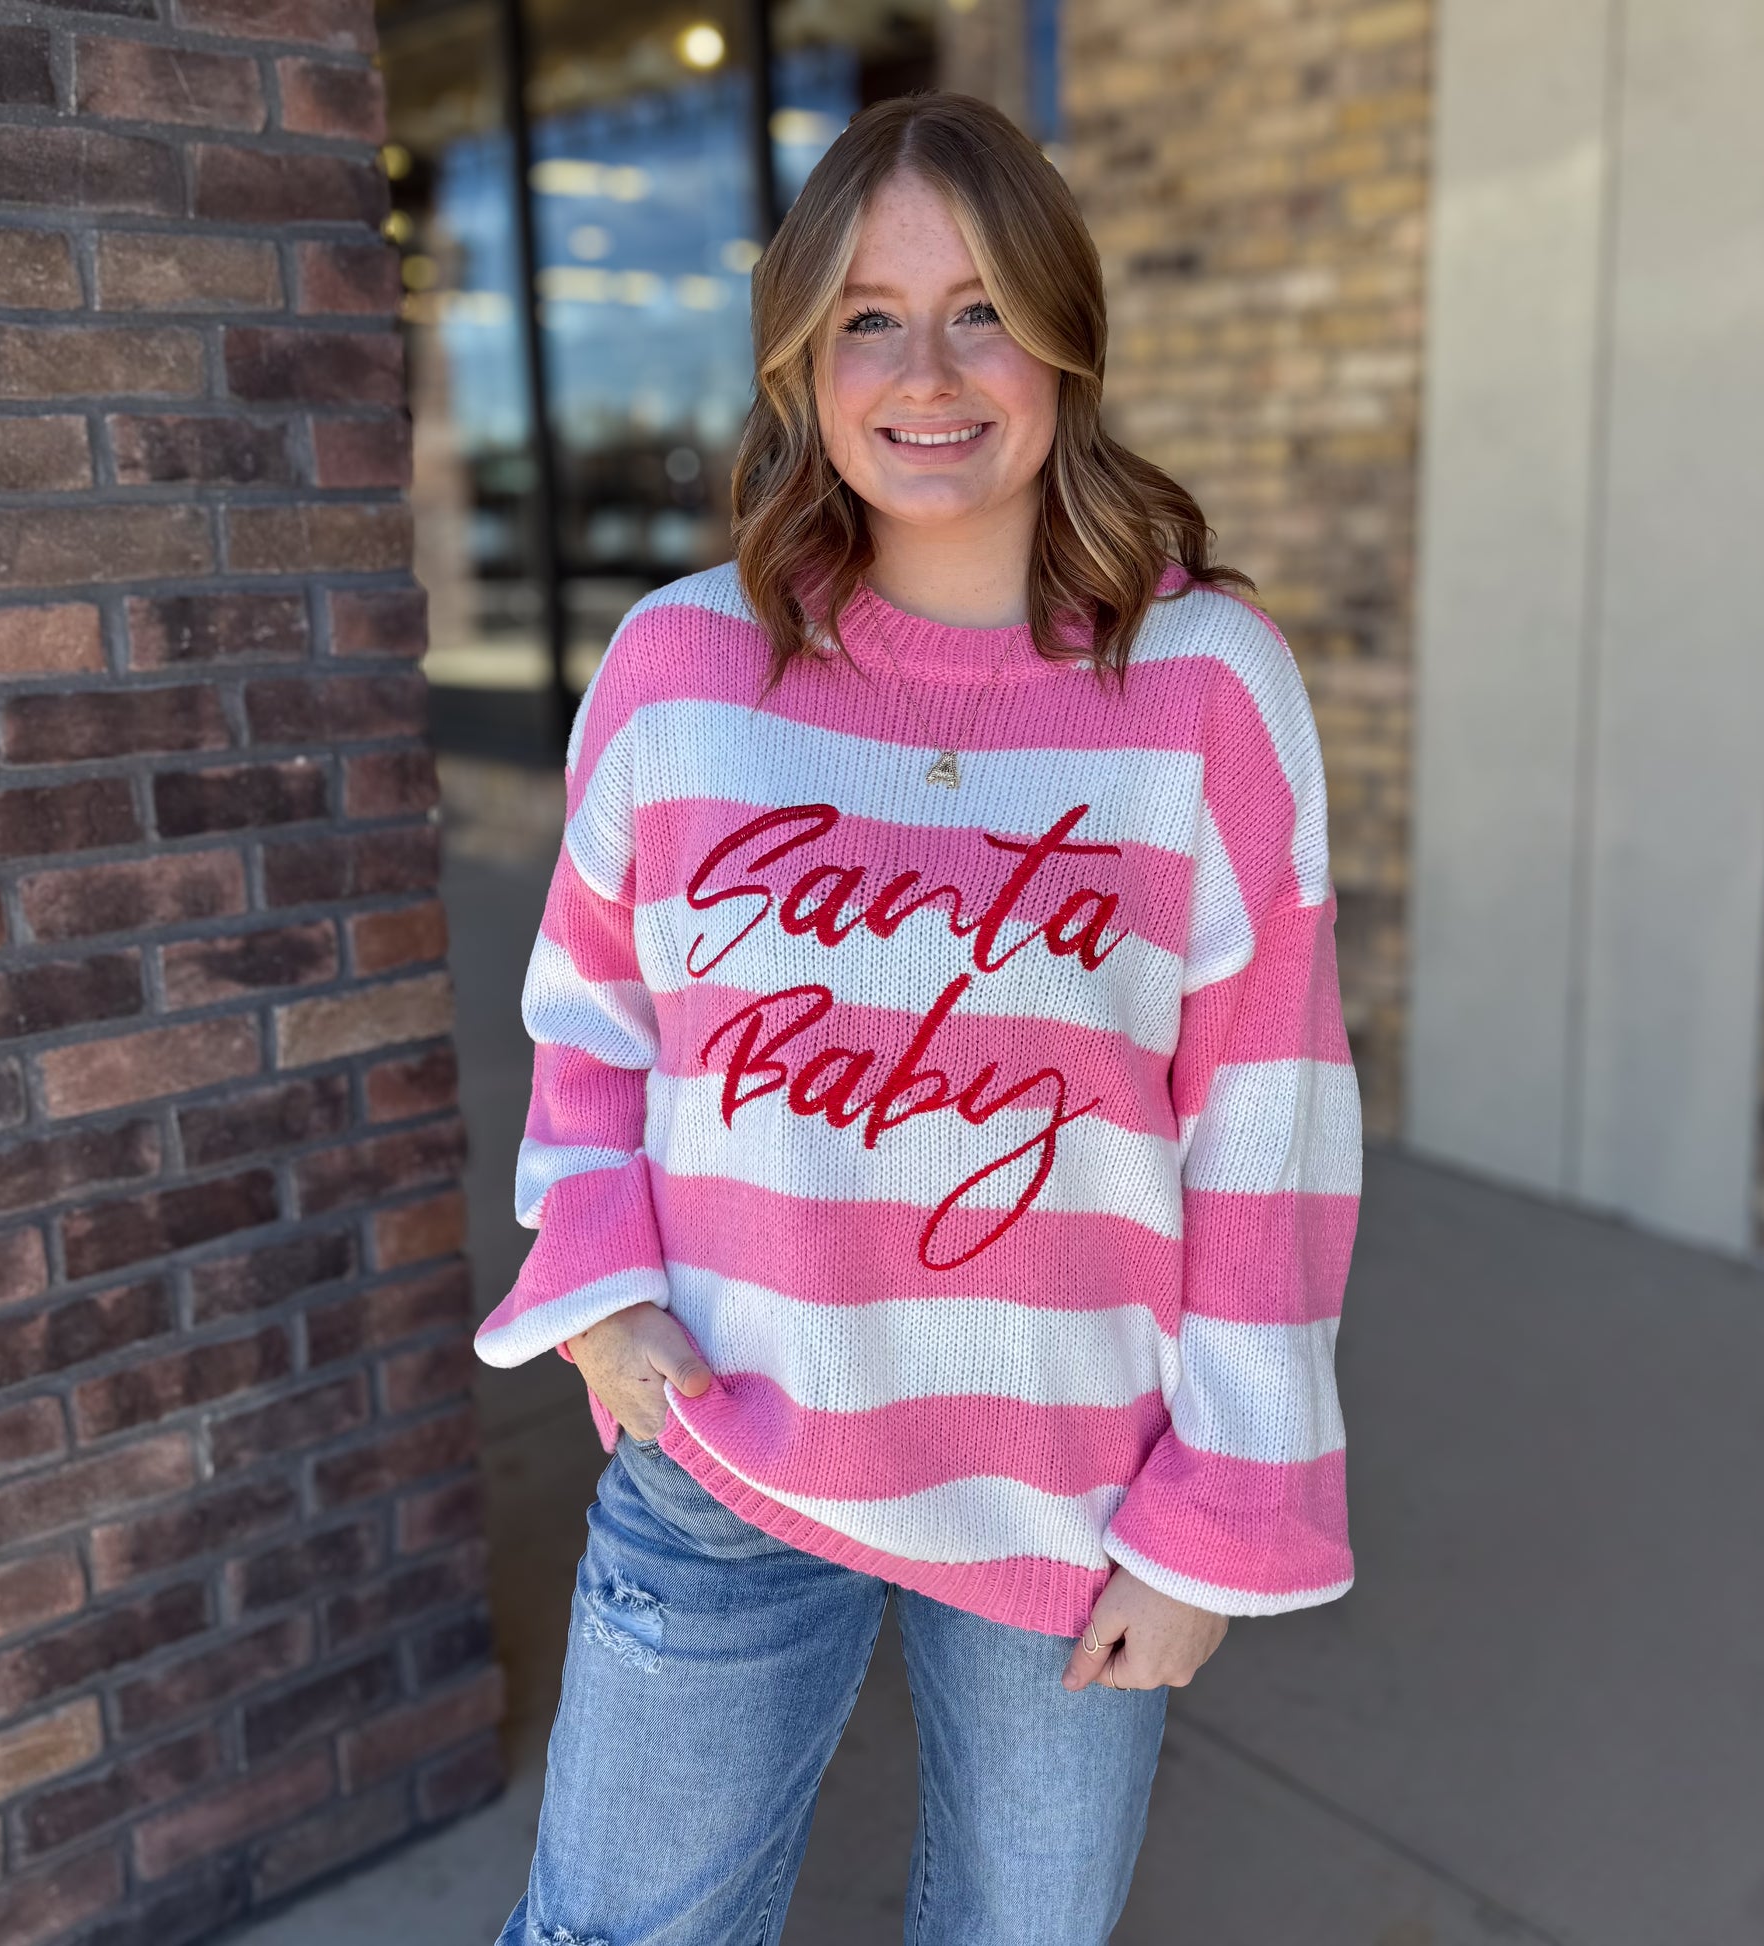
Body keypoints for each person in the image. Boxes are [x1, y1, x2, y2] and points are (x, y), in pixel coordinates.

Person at [481, 88, 1363, 1946]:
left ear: (1064, 336)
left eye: (981, 311)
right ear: (800, 360)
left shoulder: (1206, 686)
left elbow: (1266, 1126)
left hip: (1073, 1488)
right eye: (868, 318)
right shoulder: (678, 666)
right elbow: (592, 1018)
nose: (928, 373)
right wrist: (600, 1291)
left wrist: (1221, 1510)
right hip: (724, 1437)